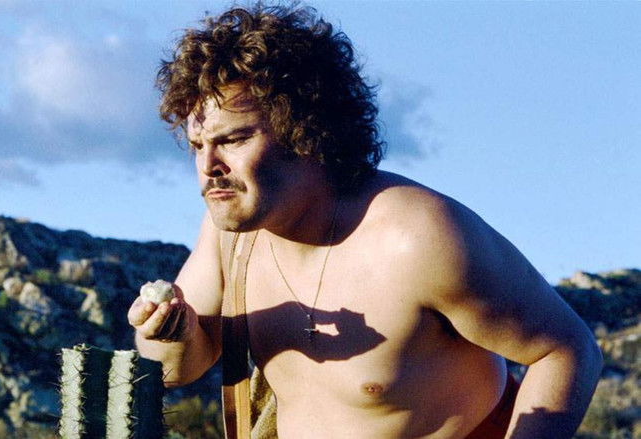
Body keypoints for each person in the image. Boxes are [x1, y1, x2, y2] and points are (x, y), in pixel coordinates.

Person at [128, 4, 602, 438]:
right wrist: (169, 334)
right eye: (197, 146)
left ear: (304, 131)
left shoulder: (417, 236)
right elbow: (174, 369)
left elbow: (566, 350)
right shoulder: (231, 237)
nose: (208, 166)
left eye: (233, 140)